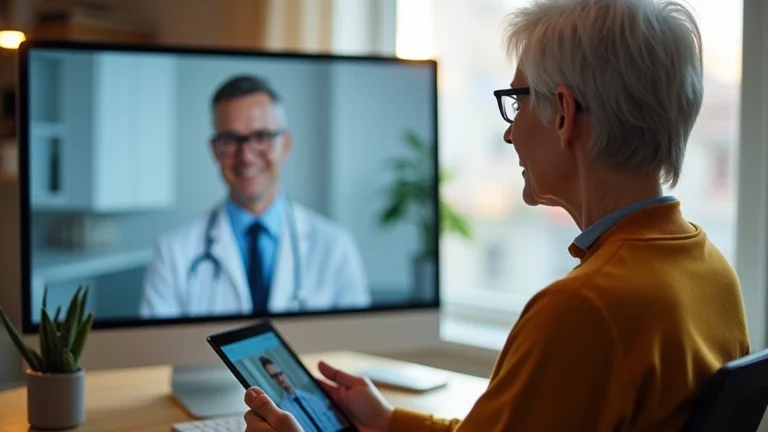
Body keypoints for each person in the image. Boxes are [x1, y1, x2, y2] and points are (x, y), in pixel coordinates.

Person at [241, 0, 751, 431]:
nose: (509, 133)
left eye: (517, 101)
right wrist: (388, 421)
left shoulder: (583, 311)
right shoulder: (710, 272)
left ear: (565, 114)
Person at [140, 75, 371, 318]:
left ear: (286, 145)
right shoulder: (173, 252)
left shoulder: (335, 246)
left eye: (261, 137)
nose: (246, 156)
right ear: (215, 151)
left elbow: (356, 345)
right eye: (230, 140)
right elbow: (159, 353)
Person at [258, 356, 345, 432]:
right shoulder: (284, 411)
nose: (280, 379)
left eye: (280, 373)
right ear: (271, 380)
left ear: (284, 373)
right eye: (274, 376)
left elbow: (334, 423)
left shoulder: (313, 397)